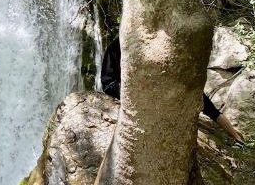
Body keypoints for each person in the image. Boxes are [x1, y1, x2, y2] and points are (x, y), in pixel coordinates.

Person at [99, 41, 245, 143]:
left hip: (145, 85)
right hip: (115, 85)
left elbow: (209, 107)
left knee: (200, 100)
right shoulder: (122, 43)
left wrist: (232, 132)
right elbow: (109, 83)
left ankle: (234, 134)